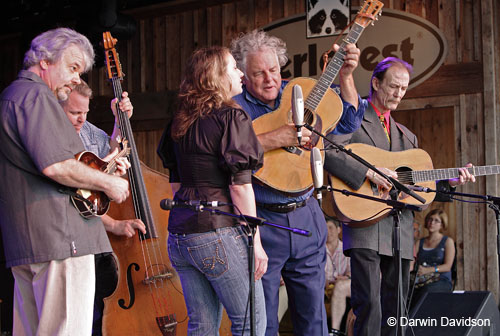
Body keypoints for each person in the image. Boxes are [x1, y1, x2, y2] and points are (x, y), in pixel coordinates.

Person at [323, 57, 475, 336]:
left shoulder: (408, 137)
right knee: (369, 305)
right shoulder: (353, 118)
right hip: (364, 224)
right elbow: (328, 152)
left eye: (404, 89)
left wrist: (449, 182)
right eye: (393, 86)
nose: (398, 94)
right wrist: (368, 172)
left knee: (396, 311)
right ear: (376, 82)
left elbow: (416, 188)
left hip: (400, 231)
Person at [230, 29, 363, 335]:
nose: (269, 79)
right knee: (263, 321)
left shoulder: (299, 90)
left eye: (274, 70)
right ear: (243, 76)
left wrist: (345, 77)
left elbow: (349, 120)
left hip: (306, 213)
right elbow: (228, 151)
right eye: (258, 73)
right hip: (261, 218)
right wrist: (276, 137)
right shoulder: (236, 107)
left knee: (313, 317)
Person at [0, 27, 130, 335]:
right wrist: (109, 183)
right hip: (61, 240)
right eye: (72, 67)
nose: (76, 78)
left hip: (32, 241)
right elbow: (57, 165)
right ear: (45, 60)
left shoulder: (13, 96)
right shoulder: (36, 95)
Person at [157, 46, 267, 335]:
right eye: (233, 68)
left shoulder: (179, 121)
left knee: (202, 327)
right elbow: (240, 186)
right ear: (216, 76)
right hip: (217, 231)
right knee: (251, 324)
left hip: (180, 236)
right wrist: (255, 244)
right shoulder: (231, 116)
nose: (240, 73)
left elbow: (176, 182)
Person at [60, 79, 147, 335]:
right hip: (69, 244)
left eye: (85, 112)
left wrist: (120, 123)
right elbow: (74, 196)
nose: (81, 119)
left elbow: (110, 153)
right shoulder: (52, 140)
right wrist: (114, 224)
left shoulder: (88, 131)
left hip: (96, 244)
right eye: (74, 113)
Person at [410, 209, 454, 309]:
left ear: (442, 225)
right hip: (420, 279)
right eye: (430, 219)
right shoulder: (419, 242)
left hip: (441, 280)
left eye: (436, 221)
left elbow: (448, 266)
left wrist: (428, 270)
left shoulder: (447, 241)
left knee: (426, 291)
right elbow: (411, 263)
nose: (432, 223)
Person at [324, 218, 351, 336]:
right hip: (324, 286)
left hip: (342, 285)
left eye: (331, 227)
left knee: (341, 286)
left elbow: (352, 271)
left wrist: (347, 277)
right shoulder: (318, 250)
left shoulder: (347, 249)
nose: (328, 231)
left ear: (339, 229)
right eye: (325, 228)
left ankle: (334, 331)